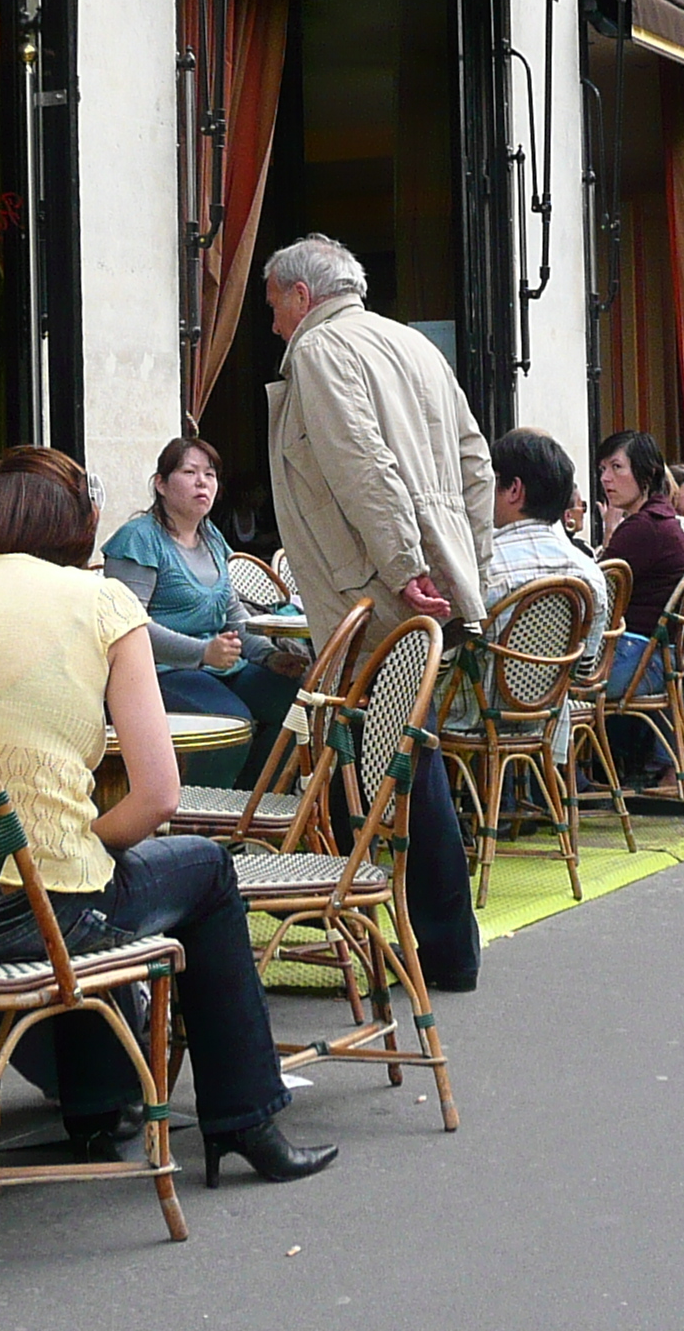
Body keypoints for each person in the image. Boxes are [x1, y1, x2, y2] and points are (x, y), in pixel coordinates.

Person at [0, 445, 334, 1185]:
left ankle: (100, 1104)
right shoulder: (104, 604)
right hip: (37, 910)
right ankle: (244, 1118)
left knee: (78, 878)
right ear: (83, 524)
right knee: (199, 869)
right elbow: (157, 797)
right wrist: (71, 843)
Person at [258, 232, 491, 989]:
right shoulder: (414, 346)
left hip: (375, 587)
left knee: (382, 766)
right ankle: (436, 948)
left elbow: (362, 464)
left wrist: (404, 565)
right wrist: (468, 565)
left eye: (273, 307)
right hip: (427, 579)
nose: (272, 326)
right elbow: (475, 464)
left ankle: (385, 936)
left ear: (301, 296)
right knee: (403, 758)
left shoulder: (323, 351)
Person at [98, 437, 304, 781]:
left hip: (219, 668)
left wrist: (268, 656)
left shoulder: (211, 537)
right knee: (229, 722)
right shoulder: (139, 539)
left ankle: (253, 803)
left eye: (210, 474)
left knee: (298, 700)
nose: (202, 482)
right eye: (189, 472)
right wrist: (202, 652)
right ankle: (201, 816)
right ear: (161, 484)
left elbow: (233, 617)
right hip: (158, 672)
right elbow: (129, 625)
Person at [465, 429, 612, 756]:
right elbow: (585, 667)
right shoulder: (589, 572)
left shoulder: (482, 569)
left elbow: (446, 650)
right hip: (549, 717)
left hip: (474, 713)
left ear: (513, 489)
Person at [591, 431, 684, 704]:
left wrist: (612, 531)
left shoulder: (643, 527)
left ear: (647, 473)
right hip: (661, 657)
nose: (605, 478)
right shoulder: (663, 519)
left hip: (635, 662)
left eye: (616, 467)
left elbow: (595, 593)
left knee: (541, 682)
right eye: (602, 469)